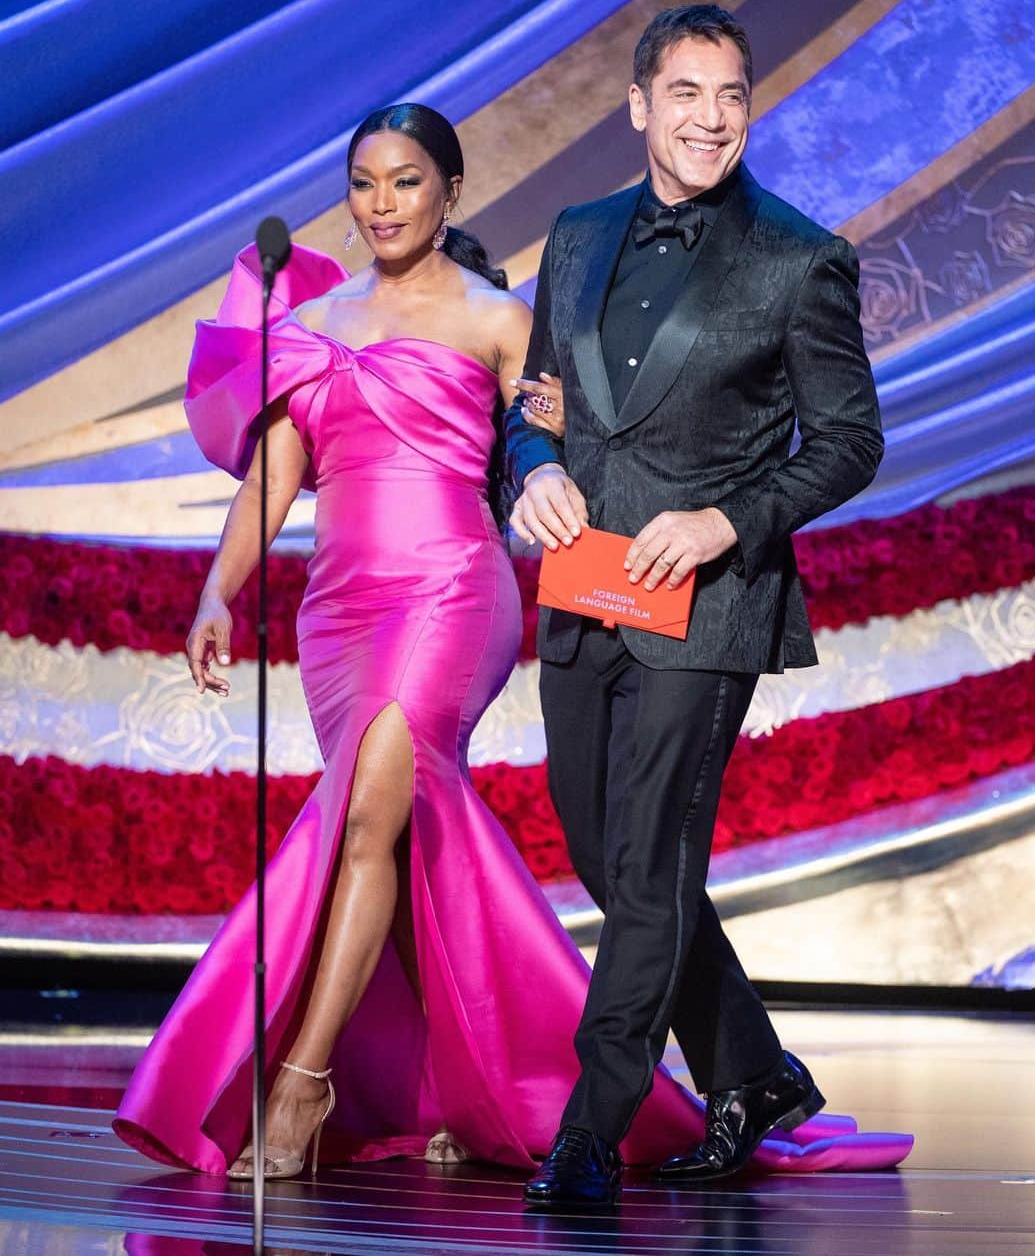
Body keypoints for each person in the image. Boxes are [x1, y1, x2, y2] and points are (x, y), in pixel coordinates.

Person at [111, 103, 712, 1179]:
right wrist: (217, 594)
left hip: (449, 591)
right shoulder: (309, 326)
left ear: (449, 194)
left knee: (376, 810)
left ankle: (301, 1082)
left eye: (405, 182)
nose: (381, 203)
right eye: (364, 182)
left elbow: (560, 441)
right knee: (386, 834)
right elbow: (273, 481)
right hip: (336, 612)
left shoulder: (498, 317)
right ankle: (469, 1084)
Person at [507, 6, 887, 1209]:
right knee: (606, 851)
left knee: (653, 854)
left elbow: (849, 441)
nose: (710, 117)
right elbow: (534, 405)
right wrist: (533, 471)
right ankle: (751, 1068)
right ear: (638, 106)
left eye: (731, 94)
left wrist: (729, 522)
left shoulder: (797, 256)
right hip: (582, 585)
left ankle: (593, 1128)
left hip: (706, 602)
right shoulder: (575, 236)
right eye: (686, 93)